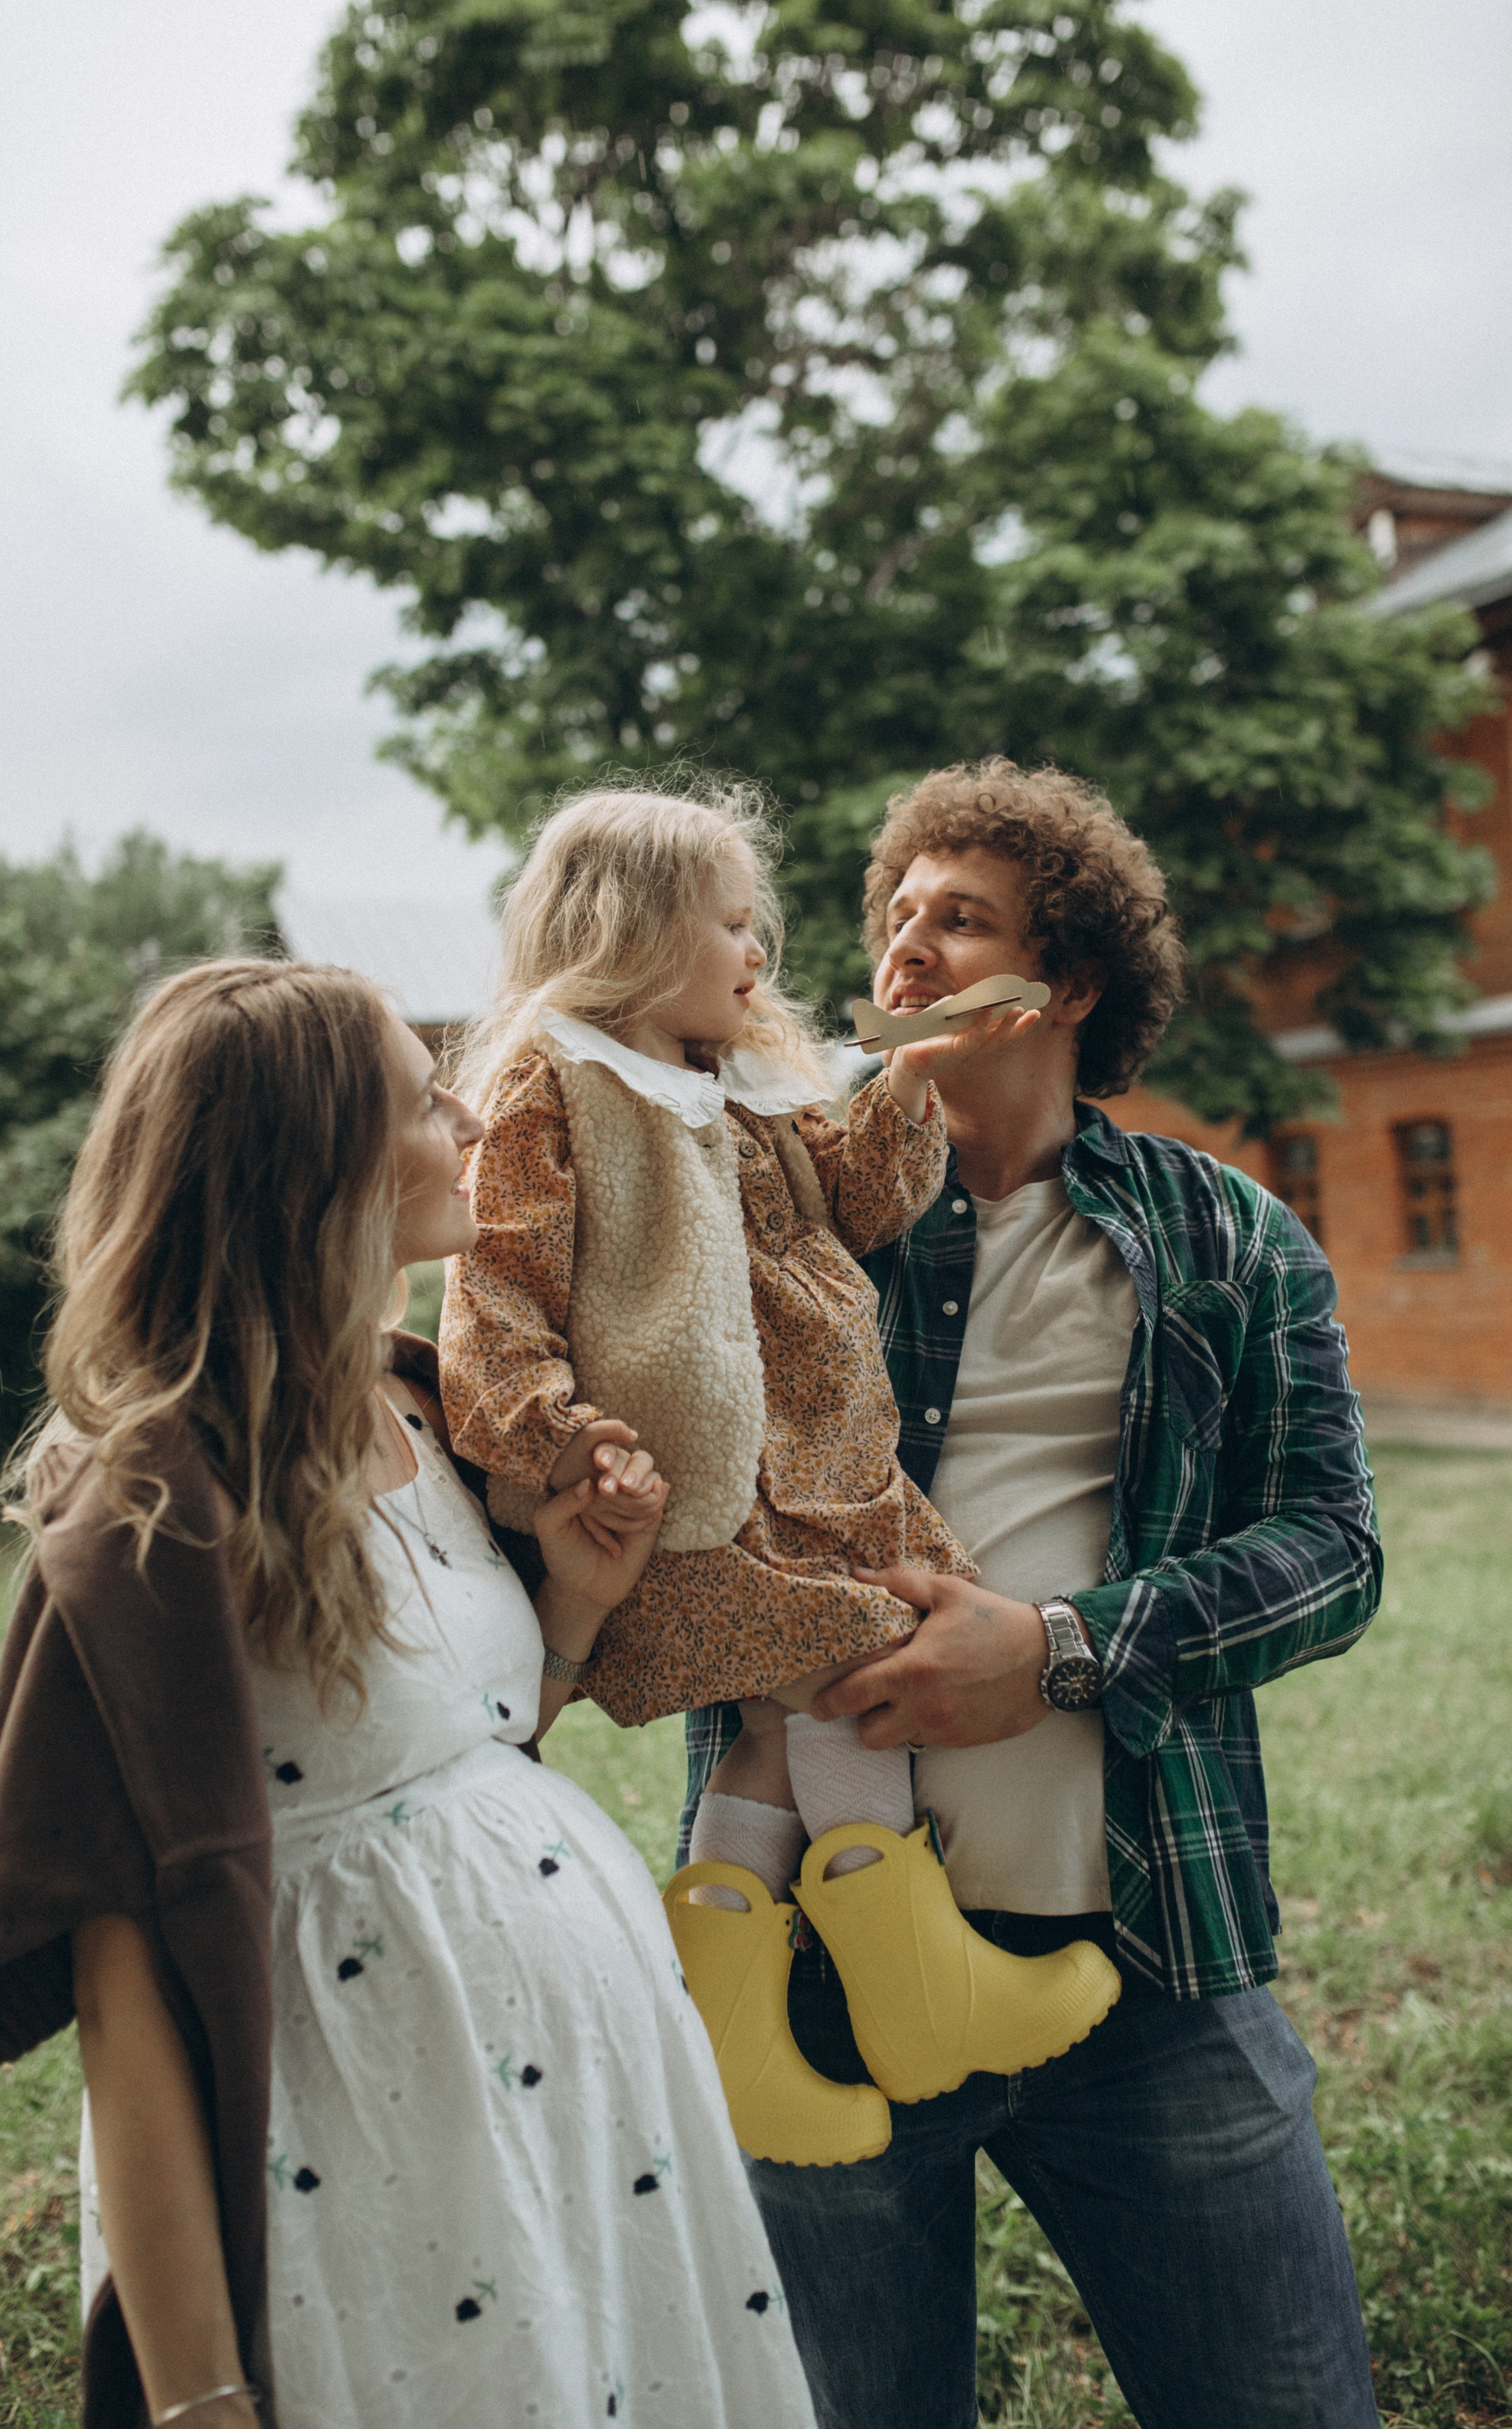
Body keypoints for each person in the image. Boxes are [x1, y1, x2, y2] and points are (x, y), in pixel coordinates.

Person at [0, 957, 821, 2429]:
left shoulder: (420, 1401)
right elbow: (123, 1999)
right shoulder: (151, 1504)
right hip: (363, 2160)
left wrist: (571, 1607)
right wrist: (198, 2395)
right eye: (424, 1098)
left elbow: (442, 1776)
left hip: (581, 2130)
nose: (473, 1115)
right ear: (310, 1165)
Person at [681, 758, 1385, 2429]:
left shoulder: (1227, 1240)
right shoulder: (762, 1202)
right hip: (815, 1981)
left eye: (961, 917)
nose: (907, 946)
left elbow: (1336, 1551)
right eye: (897, 916)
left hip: (1148, 1954)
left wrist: (1062, 1652)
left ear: (1063, 981)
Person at [438, 781, 1121, 2169]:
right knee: (854, 1670)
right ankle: (920, 1984)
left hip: (814, 1469)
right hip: (689, 1490)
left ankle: (736, 2036)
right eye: (735, 927)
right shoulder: (555, 1086)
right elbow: (492, 1287)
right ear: (631, 935)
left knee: (785, 1720)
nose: (761, 957)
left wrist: (911, 1074)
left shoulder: (738, 1089)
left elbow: (861, 1202)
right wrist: (558, 1430)